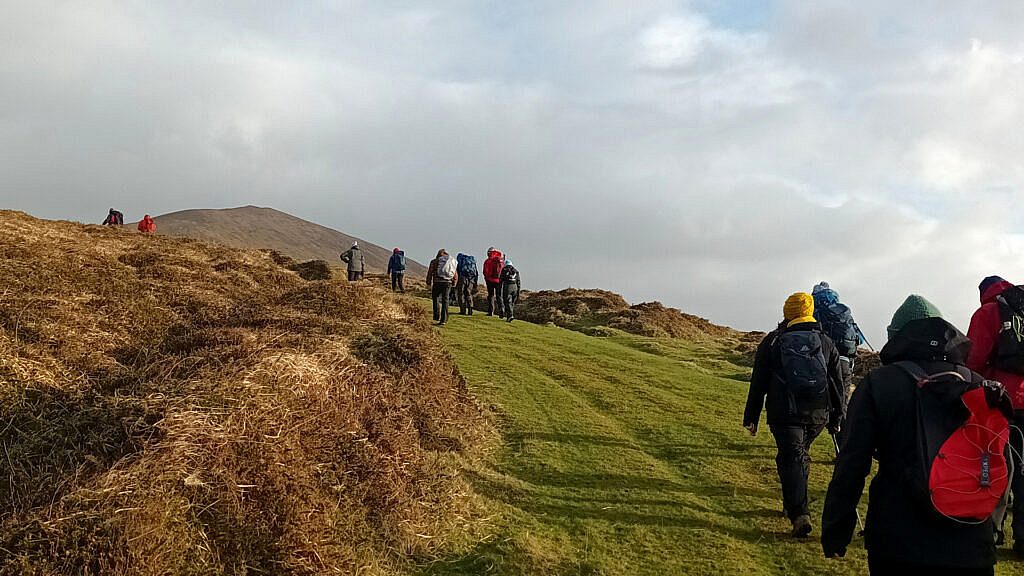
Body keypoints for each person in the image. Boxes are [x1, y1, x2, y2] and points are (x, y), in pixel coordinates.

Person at [822, 295, 1004, 575]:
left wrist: (837, 528)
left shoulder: (879, 384)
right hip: (971, 542)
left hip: (897, 540)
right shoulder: (978, 385)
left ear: (898, 337)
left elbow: (852, 464)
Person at [743, 292, 845, 538]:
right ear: (810, 312)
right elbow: (837, 383)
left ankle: (799, 513)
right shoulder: (826, 341)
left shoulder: (772, 342)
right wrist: (838, 417)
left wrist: (751, 416)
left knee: (793, 457)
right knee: (798, 456)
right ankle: (792, 504)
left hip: (784, 413)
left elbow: (759, 382)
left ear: (787, 312)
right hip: (818, 414)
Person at [966, 276, 1024, 553]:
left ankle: (991, 530)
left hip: (1003, 402)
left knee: (997, 467)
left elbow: (974, 360)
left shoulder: (988, 313)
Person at [812, 282, 863, 446]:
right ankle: (844, 446)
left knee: (820, 399)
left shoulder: (816, 311)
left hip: (824, 361)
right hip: (846, 362)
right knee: (842, 403)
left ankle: (803, 441)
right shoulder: (844, 312)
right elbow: (859, 339)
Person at [425, 249, 458, 325]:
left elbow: (430, 272)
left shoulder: (434, 261)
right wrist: (454, 283)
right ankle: (444, 320)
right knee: (445, 300)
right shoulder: (450, 262)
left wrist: (428, 283)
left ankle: (436, 316)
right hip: (447, 283)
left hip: (437, 282)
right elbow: (455, 274)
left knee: (435, 298)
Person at [483, 247, 505, 317]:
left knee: (491, 296)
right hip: (499, 280)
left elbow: (485, 272)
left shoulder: (488, 261)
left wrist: (487, 278)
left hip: (490, 280)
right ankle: (502, 311)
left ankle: (491, 311)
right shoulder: (500, 260)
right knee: (499, 296)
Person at [500, 258, 521, 323]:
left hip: (507, 286)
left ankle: (510, 316)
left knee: (507, 301)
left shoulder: (504, 270)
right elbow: (519, 282)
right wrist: (518, 291)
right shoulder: (516, 271)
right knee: (512, 302)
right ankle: (510, 314)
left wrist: (500, 288)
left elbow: (501, 280)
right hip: (515, 287)